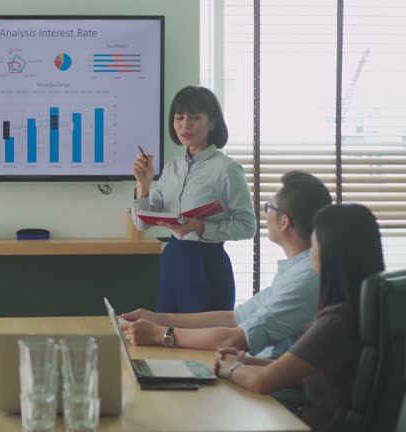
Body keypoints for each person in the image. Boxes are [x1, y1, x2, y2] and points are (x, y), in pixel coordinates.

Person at [121, 171, 332, 360]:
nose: (265, 214)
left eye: (269, 208)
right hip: (251, 367)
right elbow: (232, 319)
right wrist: (155, 318)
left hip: (272, 390)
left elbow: (237, 338)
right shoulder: (296, 270)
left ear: (285, 221)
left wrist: (160, 334)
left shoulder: (307, 277)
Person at [214, 203, 384, 432]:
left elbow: (260, 382)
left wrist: (228, 369)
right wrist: (248, 361)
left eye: (313, 243)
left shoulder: (336, 321)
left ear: (328, 251)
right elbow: (306, 371)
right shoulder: (369, 308)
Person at [132, 86, 256, 313]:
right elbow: (142, 224)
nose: (185, 125)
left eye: (195, 118)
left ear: (212, 123)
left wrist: (202, 227)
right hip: (173, 258)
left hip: (206, 263)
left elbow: (248, 227)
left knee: (202, 340)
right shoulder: (171, 168)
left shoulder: (227, 169)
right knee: (166, 335)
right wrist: (143, 184)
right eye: (179, 118)